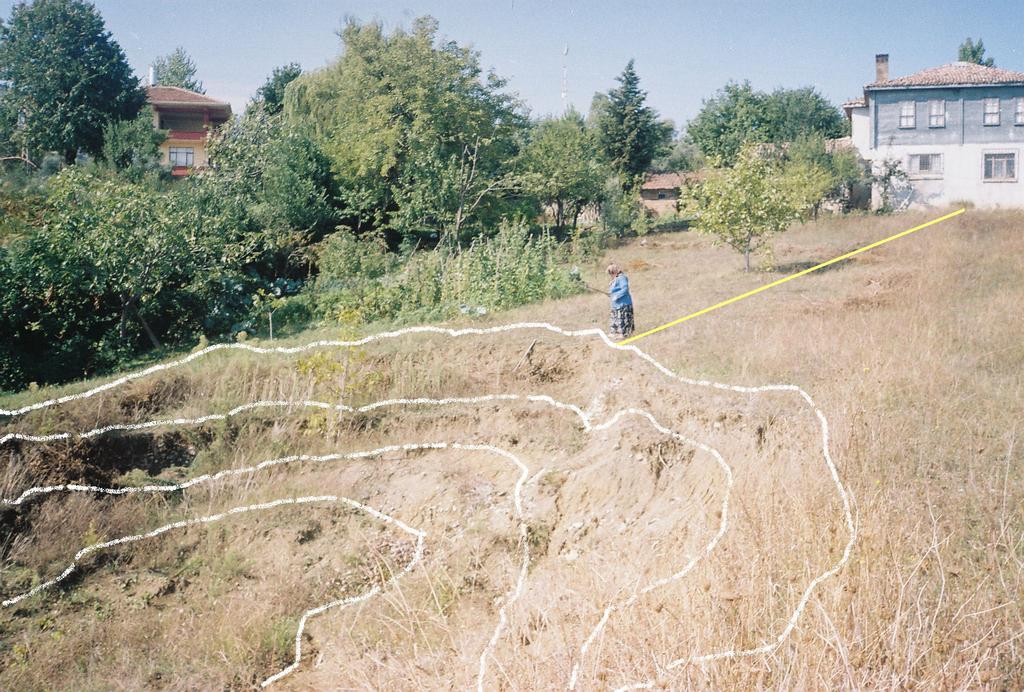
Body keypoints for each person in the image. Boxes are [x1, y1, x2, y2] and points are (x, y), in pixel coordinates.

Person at [606, 263, 634, 339]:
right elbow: (614, 290)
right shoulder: (615, 279)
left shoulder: (622, 278)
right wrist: (611, 294)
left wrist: (616, 296)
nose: (610, 274)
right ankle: (614, 333)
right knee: (615, 319)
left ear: (615, 271)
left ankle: (623, 334)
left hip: (623, 303)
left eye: (611, 272)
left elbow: (625, 289)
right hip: (615, 304)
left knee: (622, 319)